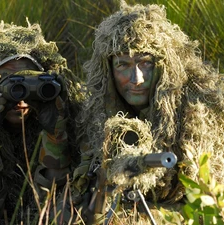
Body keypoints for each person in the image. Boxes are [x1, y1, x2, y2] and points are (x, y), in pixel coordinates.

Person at [68, 1, 224, 224]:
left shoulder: (198, 116)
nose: (137, 79)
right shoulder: (96, 115)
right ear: (108, 70)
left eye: (146, 63)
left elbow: (210, 207)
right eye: (123, 65)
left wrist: (136, 216)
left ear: (164, 66)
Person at [0, 20, 83, 223]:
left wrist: (56, 135)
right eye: (9, 83)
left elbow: (53, 204)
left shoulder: (70, 119)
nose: (20, 98)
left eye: (30, 83)